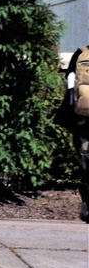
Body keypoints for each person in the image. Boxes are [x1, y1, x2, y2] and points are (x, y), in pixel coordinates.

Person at [54, 47, 89, 223]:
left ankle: (88, 205)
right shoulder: (80, 54)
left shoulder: (80, 54)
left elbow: (70, 87)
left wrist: (69, 116)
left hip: (84, 122)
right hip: (84, 121)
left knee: (86, 163)